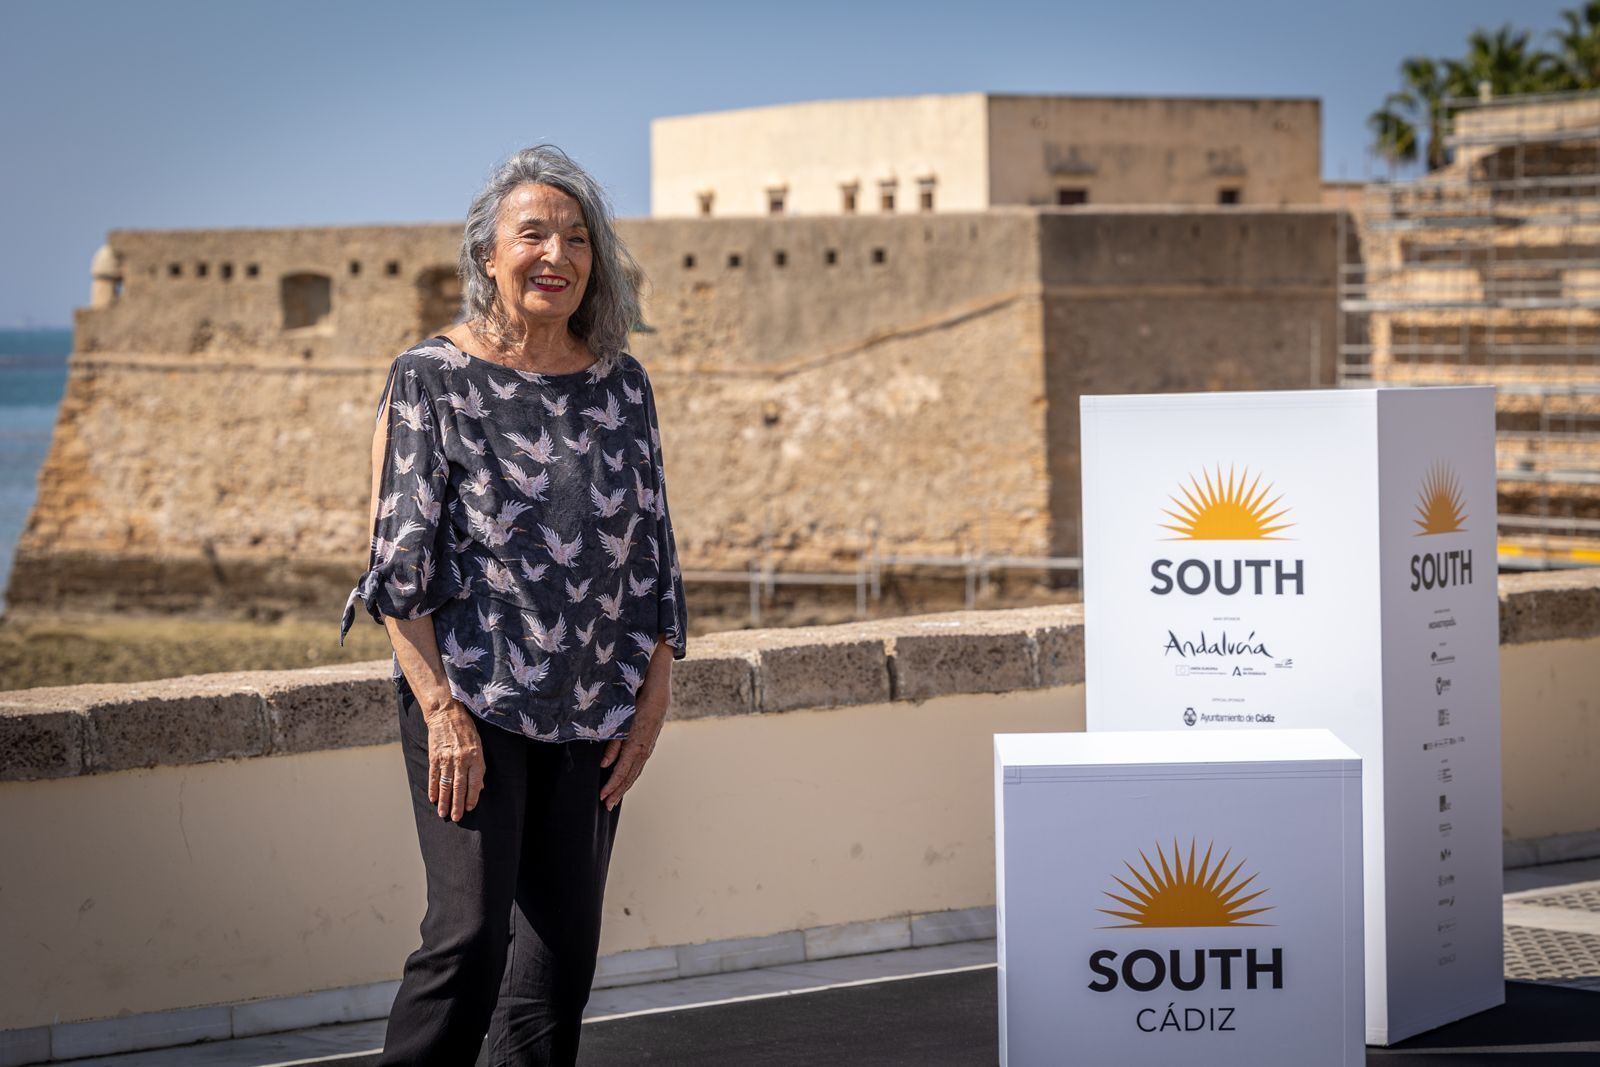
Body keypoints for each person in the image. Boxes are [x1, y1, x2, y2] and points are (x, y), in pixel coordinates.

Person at [338, 144, 688, 1065]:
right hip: (473, 704)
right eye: (531, 233)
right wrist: (441, 710)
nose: (556, 253)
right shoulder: (432, 377)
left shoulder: (622, 383)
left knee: (558, 965)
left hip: (596, 711)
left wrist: (653, 696)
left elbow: (650, 550)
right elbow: (396, 568)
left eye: (577, 237)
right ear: (488, 255)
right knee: (467, 942)